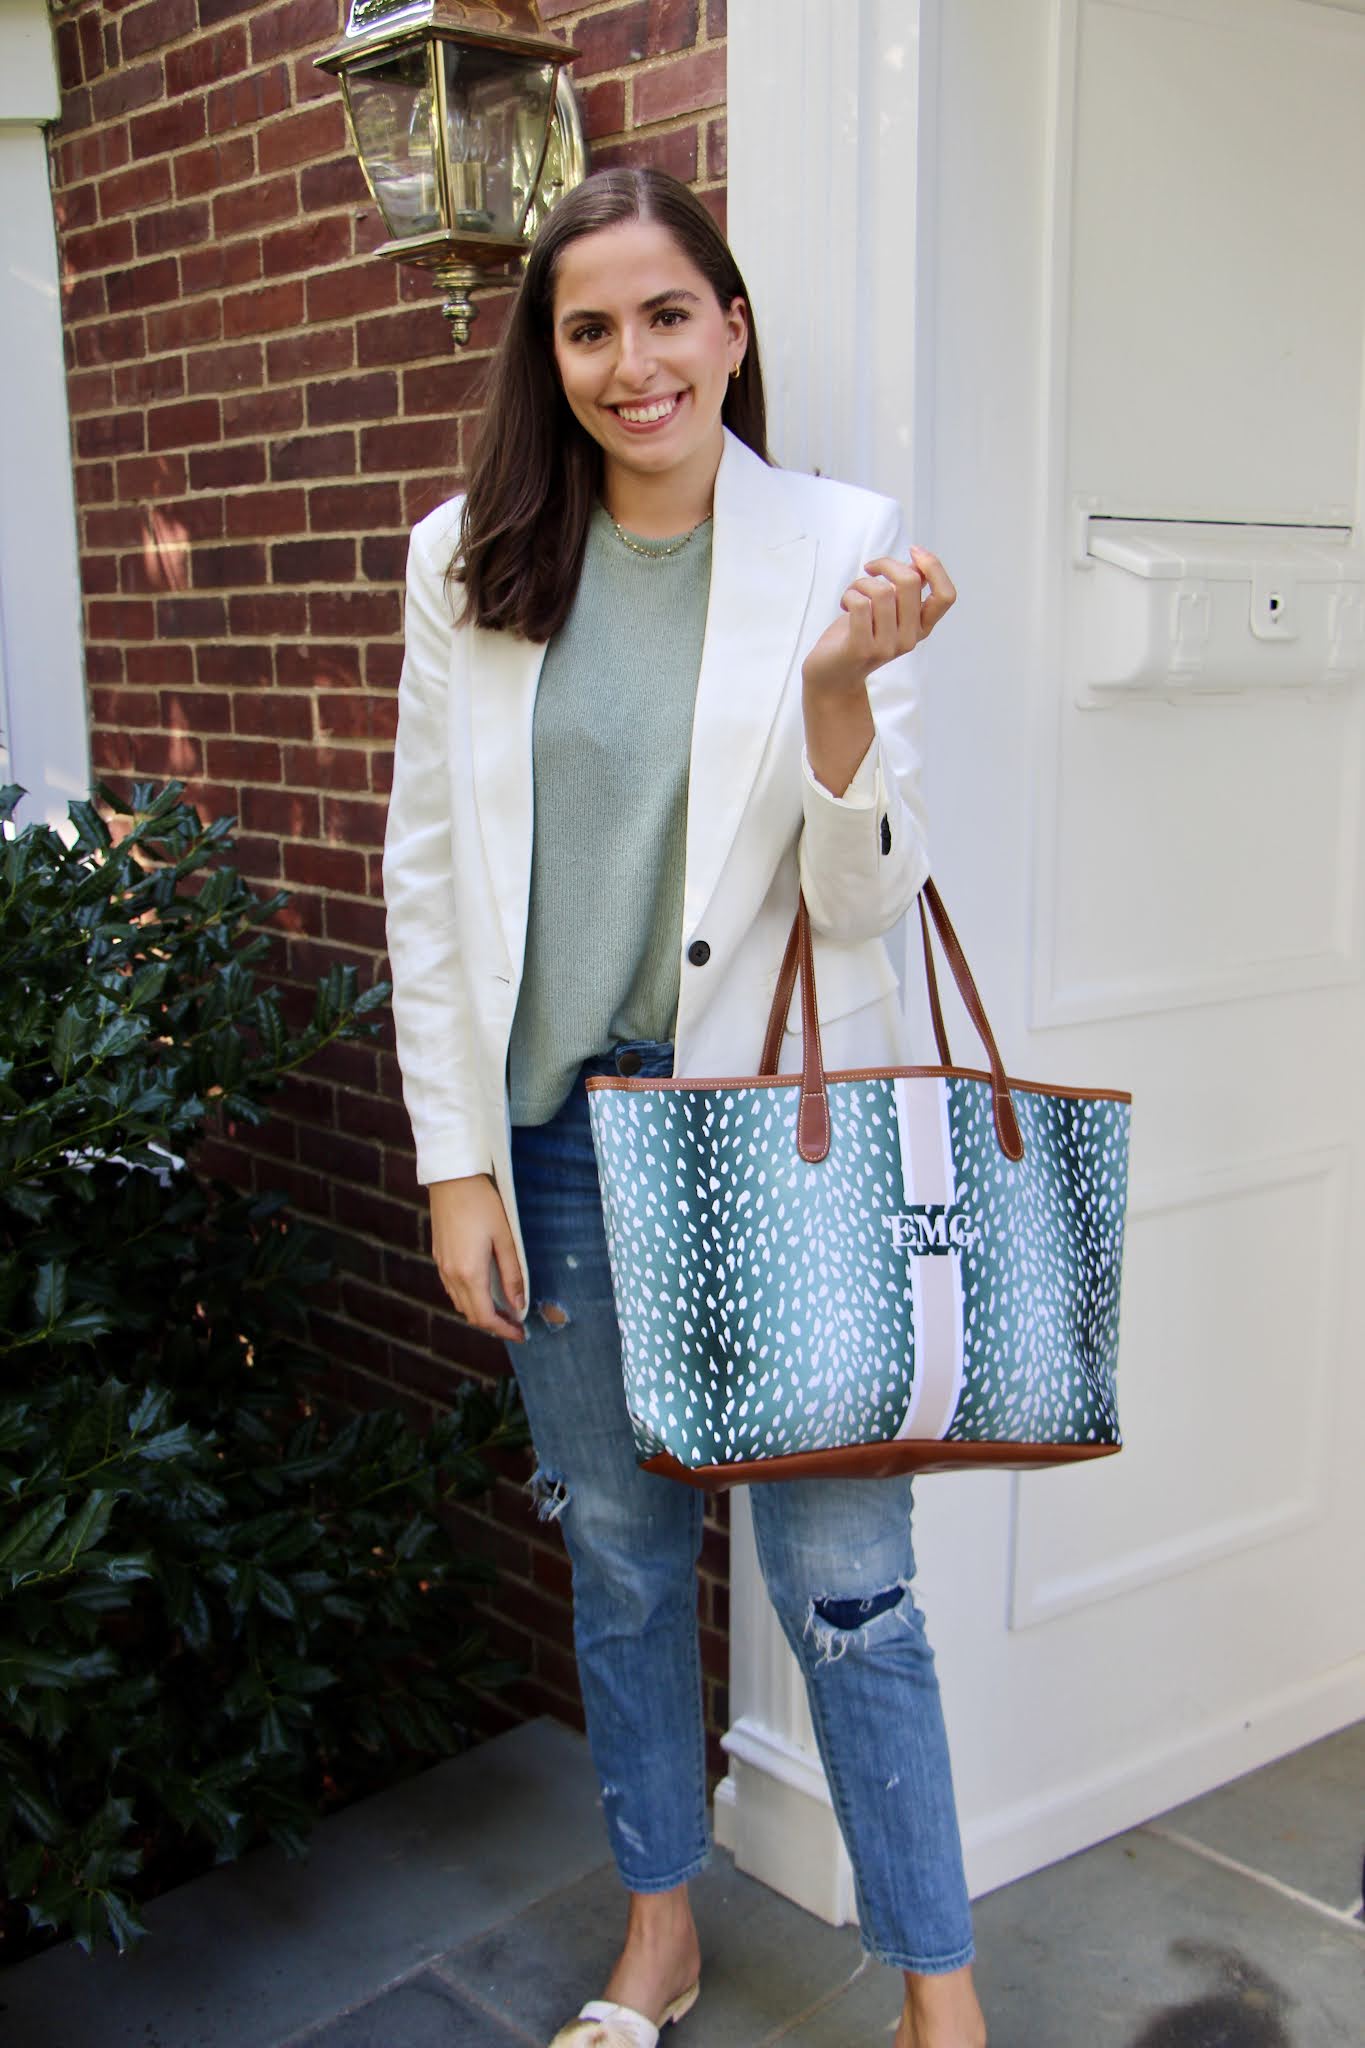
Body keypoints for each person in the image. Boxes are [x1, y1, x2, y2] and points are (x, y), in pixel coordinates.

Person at [382, 166, 986, 2048]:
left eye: (668, 316)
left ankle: (936, 1992)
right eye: (589, 327)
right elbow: (424, 870)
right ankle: (661, 1925)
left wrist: (831, 698)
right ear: (546, 352)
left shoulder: (839, 543)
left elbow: (861, 900)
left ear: (730, 328)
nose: (633, 362)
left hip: (771, 1139)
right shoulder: (467, 553)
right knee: (622, 1557)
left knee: (847, 1584)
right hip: (556, 1144)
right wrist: (451, 1165)